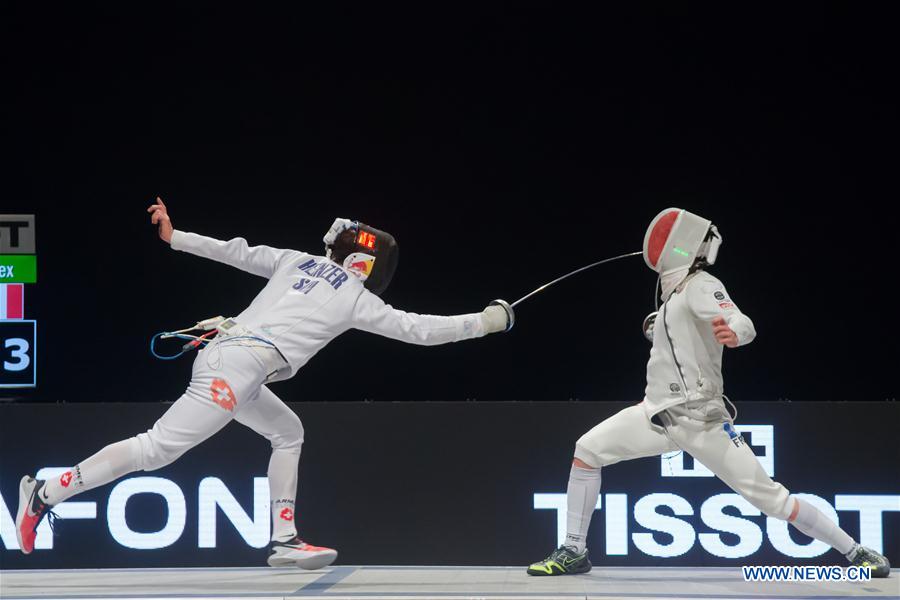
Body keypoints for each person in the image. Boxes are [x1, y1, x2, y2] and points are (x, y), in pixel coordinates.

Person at [16, 197, 513, 569]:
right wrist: (484, 323)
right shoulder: (360, 300)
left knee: (288, 431)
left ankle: (285, 537)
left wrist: (176, 237)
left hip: (236, 362)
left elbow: (237, 252)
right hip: (236, 366)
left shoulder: (298, 260)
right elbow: (421, 331)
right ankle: (45, 491)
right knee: (155, 450)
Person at [526, 208, 890, 578]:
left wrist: (736, 334)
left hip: (702, 420)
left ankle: (856, 551)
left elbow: (740, 320)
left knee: (773, 500)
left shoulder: (701, 285)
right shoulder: (672, 299)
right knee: (588, 450)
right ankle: (574, 550)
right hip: (656, 414)